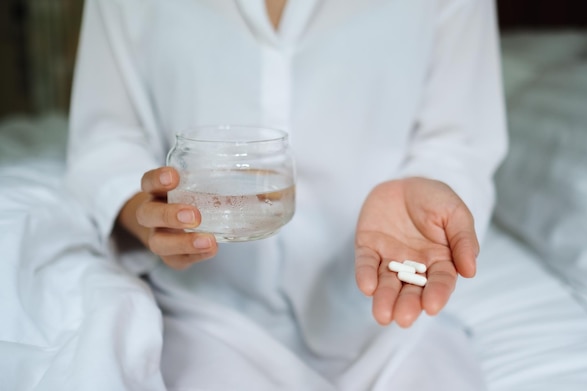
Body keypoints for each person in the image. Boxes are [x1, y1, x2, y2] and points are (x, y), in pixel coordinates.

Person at [65, 0, 507, 389]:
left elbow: (458, 140)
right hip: (203, 303)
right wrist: (145, 216)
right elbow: (106, 138)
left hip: (385, 309)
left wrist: (429, 185)